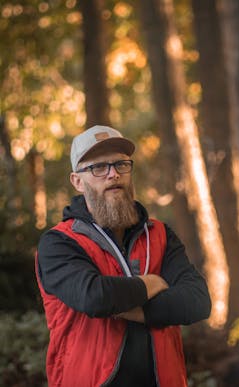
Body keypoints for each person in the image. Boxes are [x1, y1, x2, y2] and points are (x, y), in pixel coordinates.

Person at [36, 125, 211, 387]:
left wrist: (129, 309)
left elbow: (197, 301)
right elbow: (94, 297)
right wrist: (152, 283)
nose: (113, 174)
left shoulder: (160, 235)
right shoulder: (59, 242)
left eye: (121, 164)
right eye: (98, 167)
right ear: (77, 181)